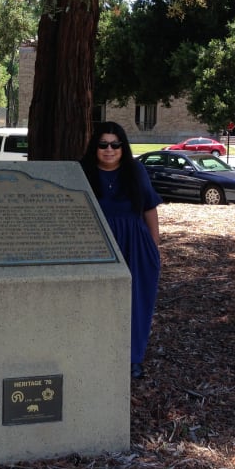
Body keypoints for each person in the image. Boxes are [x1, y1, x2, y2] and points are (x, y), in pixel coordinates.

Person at [80, 122, 162, 379]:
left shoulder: (136, 172)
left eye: (116, 144)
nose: (109, 150)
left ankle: (132, 358)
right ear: (95, 147)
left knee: (136, 302)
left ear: (123, 147)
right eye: (103, 144)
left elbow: (149, 209)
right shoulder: (83, 173)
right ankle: (98, 353)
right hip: (98, 245)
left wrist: (154, 248)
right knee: (98, 301)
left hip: (135, 244)